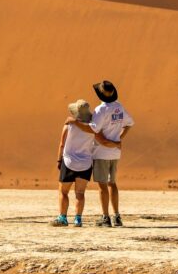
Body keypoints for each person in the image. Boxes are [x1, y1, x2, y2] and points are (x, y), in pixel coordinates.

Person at [66, 80, 134, 227]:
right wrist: (119, 138)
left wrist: (75, 122)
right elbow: (130, 123)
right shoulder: (119, 107)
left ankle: (105, 217)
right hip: (115, 152)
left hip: (101, 152)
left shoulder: (101, 110)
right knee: (113, 183)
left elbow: (93, 130)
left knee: (102, 186)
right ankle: (117, 216)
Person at [53, 99, 121, 227]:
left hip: (69, 162)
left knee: (63, 192)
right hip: (85, 164)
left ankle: (62, 217)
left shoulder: (69, 126)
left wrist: (59, 160)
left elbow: (62, 145)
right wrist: (116, 144)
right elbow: (102, 140)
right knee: (80, 193)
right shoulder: (92, 129)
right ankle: (78, 219)